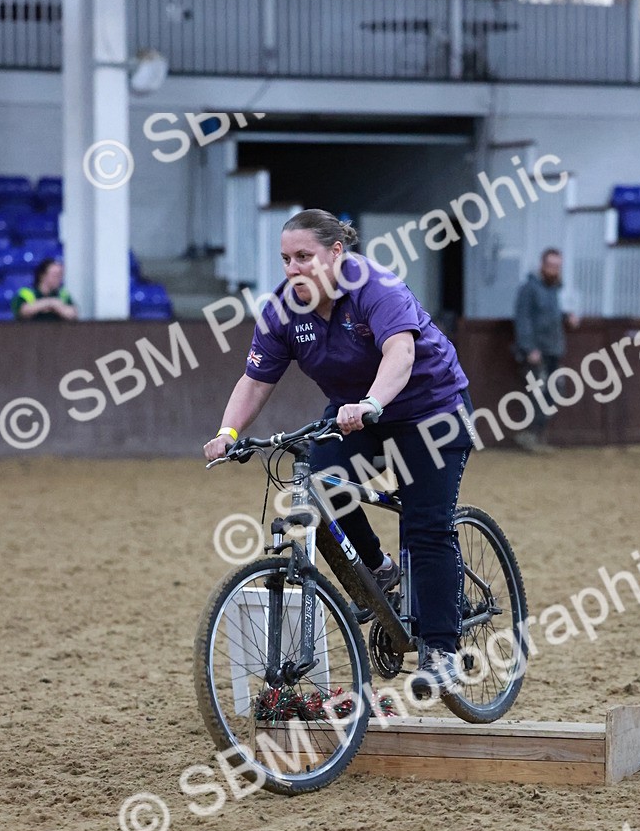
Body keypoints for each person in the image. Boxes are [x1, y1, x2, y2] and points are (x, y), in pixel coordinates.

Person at [203, 208, 474, 693]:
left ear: (336, 253)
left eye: (304, 256)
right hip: (356, 412)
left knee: (426, 525)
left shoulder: (376, 288)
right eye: (285, 259)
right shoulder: (283, 309)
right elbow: (255, 378)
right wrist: (228, 431)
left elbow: (401, 353)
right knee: (319, 486)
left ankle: (443, 650)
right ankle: (378, 570)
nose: (293, 269)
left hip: (430, 410)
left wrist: (371, 401)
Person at [512, 247, 578, 452]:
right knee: (539, 392)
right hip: (536, 352)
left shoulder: (556, 290)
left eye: (557, 266)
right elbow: (522, 320)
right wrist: (529, 347)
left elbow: (554, 314)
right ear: (542, 266)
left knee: (555, 389)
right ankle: (531, 435)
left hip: (553, 350)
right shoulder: (529, 288)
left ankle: (534, 435)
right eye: (550, 265)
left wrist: (567, 317)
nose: (553, 270)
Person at [12, 258, 78, 322]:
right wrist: (50, 303)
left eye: (60, 275)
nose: (59, 279)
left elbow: (72, 314)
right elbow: (23, 312)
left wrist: (58, 308)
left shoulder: (63, 294)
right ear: (42, 275)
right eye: (55, 275)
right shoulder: (26, 293)